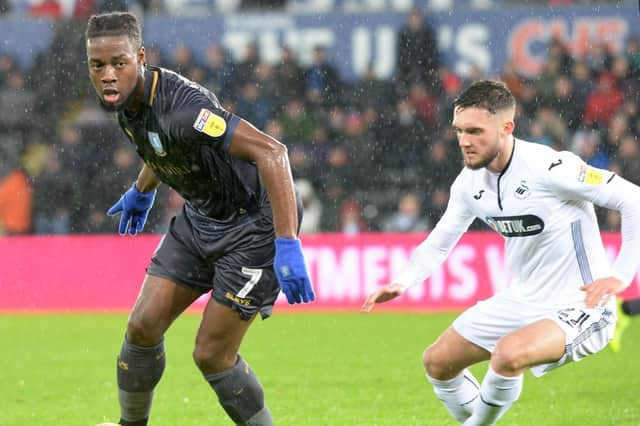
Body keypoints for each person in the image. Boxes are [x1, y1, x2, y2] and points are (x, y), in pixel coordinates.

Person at [362, 80, 640, 425]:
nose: (464, 141)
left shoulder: (550, 168)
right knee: (438, 361)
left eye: (475, 131)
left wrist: (621, 274)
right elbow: (441, 239)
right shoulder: (468, 183)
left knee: (508, 355)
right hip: (521, 299)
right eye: (459, 130)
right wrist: (403, 282)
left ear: (507, 128)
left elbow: (632, 199)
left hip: (581, 304)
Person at [85, 12, 315, 426]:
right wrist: (142, 189)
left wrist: (287, 241)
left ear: (140, 57)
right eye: (97, 65)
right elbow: (162, 147)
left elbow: (272, 152)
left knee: (212, 355)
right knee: (142, 327)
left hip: (253, 227)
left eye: (118, 63)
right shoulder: (125, 103)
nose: (107, 75)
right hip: (201, 218)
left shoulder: (186, 109)